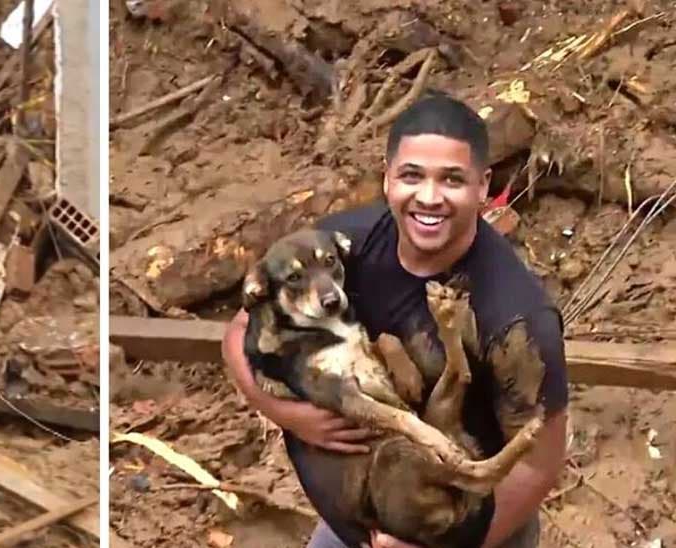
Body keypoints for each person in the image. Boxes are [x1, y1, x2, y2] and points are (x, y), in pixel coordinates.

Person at [221, 94, 569, 548]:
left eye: (452, 180)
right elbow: (241, 332)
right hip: (357, 516)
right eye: (411, 176)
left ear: (483, 187)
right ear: (387, 178)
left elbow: (538, 463)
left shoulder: (515, 318)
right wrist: (285, 412)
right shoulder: (343, 247)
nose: (429, 197)